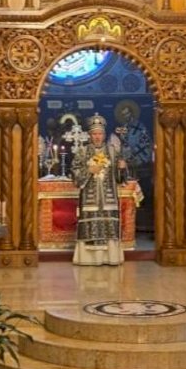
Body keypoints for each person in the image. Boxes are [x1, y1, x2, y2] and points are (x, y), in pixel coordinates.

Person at [72, 113, 126, 266]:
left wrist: (122, 169)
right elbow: (75, 174)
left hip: (109, 199)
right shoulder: (82, 152)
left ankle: (111, 257)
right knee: (90, 226)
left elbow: (120, 179)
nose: (97, 137)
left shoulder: (113, 151)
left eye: (100, 134)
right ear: (90, 135)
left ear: (104, 135)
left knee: (109, 226)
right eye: (94, 134)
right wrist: (88, 170)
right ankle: (88, 259)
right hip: (90, 199)